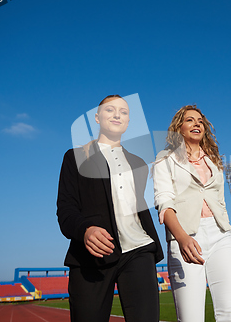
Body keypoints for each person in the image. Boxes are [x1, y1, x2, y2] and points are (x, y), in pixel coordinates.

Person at [57, 95, 164, 322]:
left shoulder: (139, 164)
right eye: (110, 110)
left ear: (127, 122)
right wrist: (85, 230)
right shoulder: (75, 157)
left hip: (139, 250)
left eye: (124, 112)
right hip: (92, 255)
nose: (117, 114)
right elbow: (65, 210)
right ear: (97, 117)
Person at [153, 105, 231, 322]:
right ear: (179, 128)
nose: (197, 124)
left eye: (200, 121)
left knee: (230, 311)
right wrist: (181, 238)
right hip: (186, 236)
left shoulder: (213, 158)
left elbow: (219, 200)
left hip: (221, 235)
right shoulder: (165, 158)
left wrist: (226, 228)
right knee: (191, 317)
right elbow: (164, 202)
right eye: (190, 120)